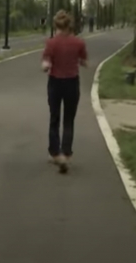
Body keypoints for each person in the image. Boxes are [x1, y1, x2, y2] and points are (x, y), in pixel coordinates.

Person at [41, 10, 87, 173]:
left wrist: (46, 66)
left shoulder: (51, 43)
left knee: (54, 117)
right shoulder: (79, 43)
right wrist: (77, 61)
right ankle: (66, 153)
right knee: (69, 119)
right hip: (72, 82)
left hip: (55, 82)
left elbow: (46, 62)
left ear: (56, 25)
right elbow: (84, 61)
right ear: (70, 25)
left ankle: (55, 153)